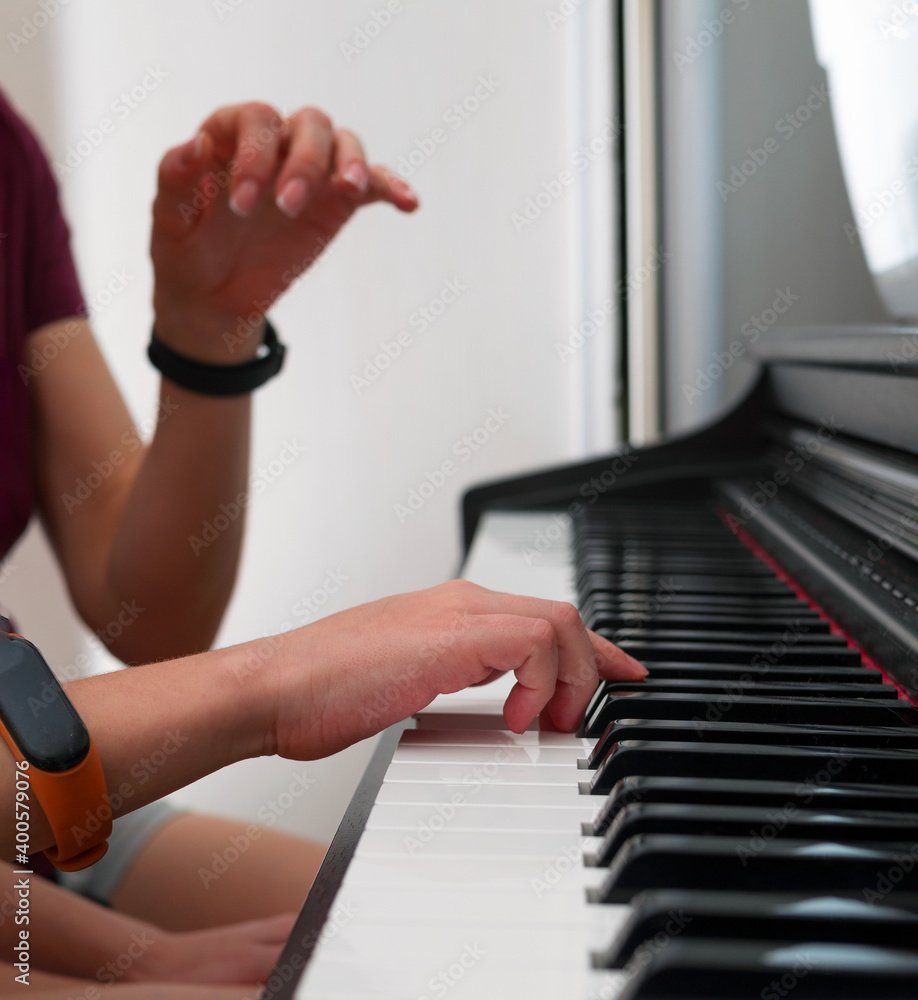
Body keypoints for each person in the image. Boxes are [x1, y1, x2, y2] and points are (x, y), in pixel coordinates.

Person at [0, 90, 647, 999]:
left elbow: (144, 614)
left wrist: (210, 332)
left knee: (510, 954)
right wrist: (279, 680)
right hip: (34, 806)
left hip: (44, 812)